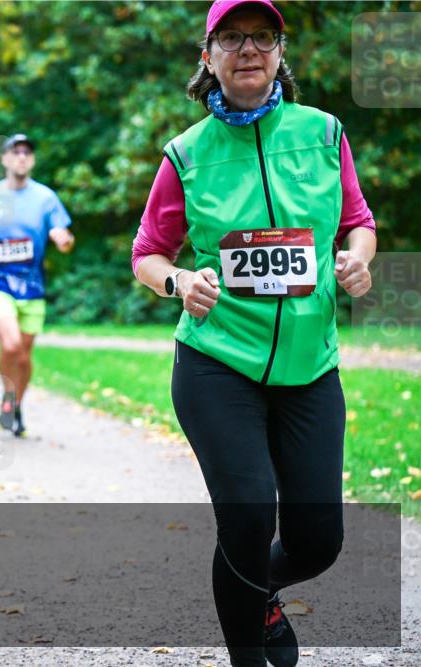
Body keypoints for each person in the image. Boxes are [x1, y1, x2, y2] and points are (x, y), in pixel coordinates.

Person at [131, 2, 376, 665]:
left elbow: (358, 219)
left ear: (279, 53)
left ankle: (256, 593)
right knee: (245, 518)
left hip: (310, 366)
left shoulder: (324, 134)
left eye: (262, 37)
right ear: (207, 56)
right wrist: (179, 282)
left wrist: (358, 256)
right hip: (217, 363)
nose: (249, 49)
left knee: (317, 540)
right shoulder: (186, 153)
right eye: (232, 38)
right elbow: (147, 254)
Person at [0, 134, 74, 436]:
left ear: (33, 160)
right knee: (11, 344)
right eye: (16, 152)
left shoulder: (45, 197)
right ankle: (8, 393)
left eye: (27, 152)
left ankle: (14, 404)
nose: (22, 157)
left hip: (32, 286)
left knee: (24, 356)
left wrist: (63, 240)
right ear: (4, 159)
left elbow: (63, 235)